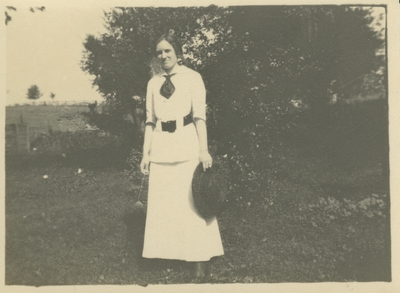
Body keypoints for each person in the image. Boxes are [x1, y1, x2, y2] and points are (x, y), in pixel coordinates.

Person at [140, 31, 224, 280]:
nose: (163, 55)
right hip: (162, 147)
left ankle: (199, 259)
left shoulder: (192, 78)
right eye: (159, 52)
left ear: (178, 52)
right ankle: (170, 253)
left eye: (167, 50)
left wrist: (203, 150)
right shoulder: (153, 83)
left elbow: (199, 117)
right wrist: (146, 154)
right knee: (164, 205)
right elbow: (149, 121)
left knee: (192, 203)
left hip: (186, 143)